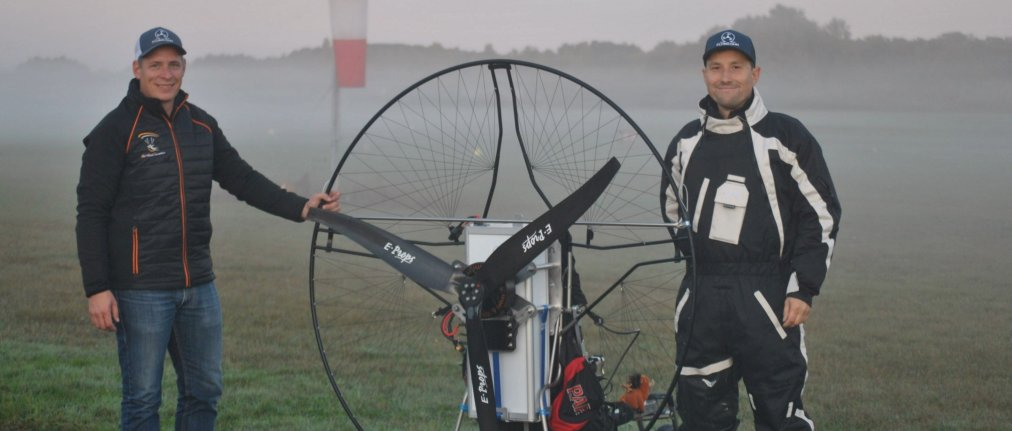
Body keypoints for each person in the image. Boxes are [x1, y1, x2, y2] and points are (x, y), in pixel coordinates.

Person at [76, 27, 341, 430]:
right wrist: (97, 287)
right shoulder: (114, 130)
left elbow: (243, 179)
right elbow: (91, 213)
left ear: (183, 67)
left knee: (204, 391)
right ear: (137, 68)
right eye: (155, 64)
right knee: (143, 399)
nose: (166, 74)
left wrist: (301, 206)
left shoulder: (201, 125)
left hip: (198, 286)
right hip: (140, 290)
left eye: (174, 64)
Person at [661, 29, 842, 430]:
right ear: (704, 73)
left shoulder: (785, 136)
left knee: (781, 415)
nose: (726, 77)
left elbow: (821, 214)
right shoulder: (686, 142)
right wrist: (699, 263)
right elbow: (672, 209)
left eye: (736, 68)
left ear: (755, 74)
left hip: (767, 296)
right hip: (702, 297)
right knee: (701, 417)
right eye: (716, 68)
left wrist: (803, 286)